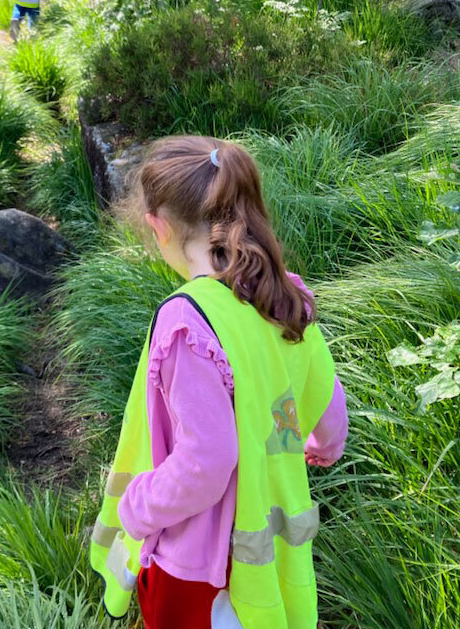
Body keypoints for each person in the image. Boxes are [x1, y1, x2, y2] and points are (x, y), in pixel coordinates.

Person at [90, 136, 348, 629]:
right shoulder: (285, 295)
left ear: (159, 227)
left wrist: (137, 507)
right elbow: (327, 412)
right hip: (267, 543)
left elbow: (206, 463)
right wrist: (320, 447)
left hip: (199, 564)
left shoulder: (188, 322)